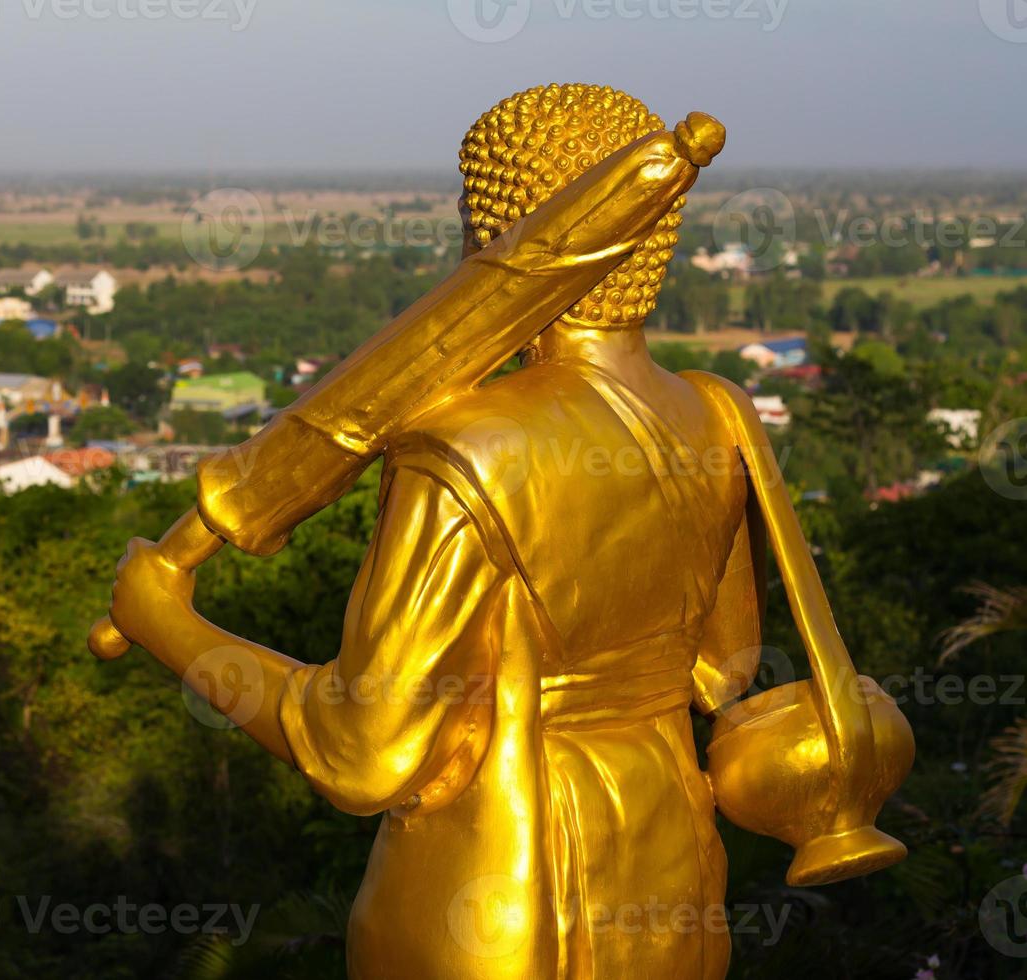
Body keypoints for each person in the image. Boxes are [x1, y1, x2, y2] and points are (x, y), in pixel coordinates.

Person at [107, 84, 779, 979]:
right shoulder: (715, 415)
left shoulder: (469, 451)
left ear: (497, 240)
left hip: (499, 889)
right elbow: (722, 666)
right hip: (670, 875)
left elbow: (363, 749)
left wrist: (167, 623)